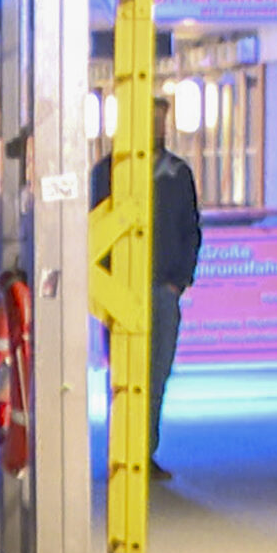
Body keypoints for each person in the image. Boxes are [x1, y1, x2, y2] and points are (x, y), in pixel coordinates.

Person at [91, 97, 203, 480]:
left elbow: (191, 230)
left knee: (157, 373)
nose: (156, 128)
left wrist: (179, 281)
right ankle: (122, 450)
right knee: (124, 374)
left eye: (160, 120)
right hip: (120, 290)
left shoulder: (177, 173)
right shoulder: (107, 173)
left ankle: (144, 451)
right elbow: (93, 227)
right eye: (148, 119)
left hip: (163, 289)